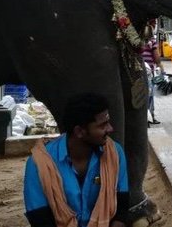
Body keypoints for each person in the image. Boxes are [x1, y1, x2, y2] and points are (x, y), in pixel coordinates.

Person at [24, 93, 129, 227]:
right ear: (79, 131)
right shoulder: (39, 164)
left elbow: (121, 208)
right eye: (103, 125)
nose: (110, 129)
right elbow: (39, 218)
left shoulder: (114, 153)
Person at [140, 19, 163, 125]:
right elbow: (157, 57)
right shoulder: (152, 41)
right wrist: (161, 68)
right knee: (149, 95)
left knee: (141, 94)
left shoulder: (137, 40)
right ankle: (150, 117)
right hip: (149, 71)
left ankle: (144, 117)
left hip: (139, 70)